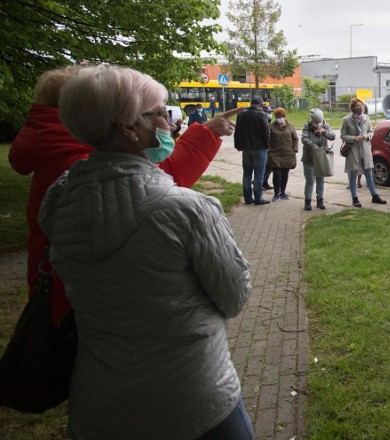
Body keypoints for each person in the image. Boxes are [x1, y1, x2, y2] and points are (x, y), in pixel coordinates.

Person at [38, 65, 253, 439]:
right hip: (194, 399)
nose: (170, 123)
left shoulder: (58, 201)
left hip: (98, 402)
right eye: (160, 113)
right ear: (127, 127)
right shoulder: (188, 210)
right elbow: (234, 298)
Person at [9, 65, 240, 325]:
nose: (166, 122)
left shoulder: (64, 159)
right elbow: (151, 188)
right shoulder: (79, 164)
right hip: (83, 321)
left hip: (74, 312)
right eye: (156, 113)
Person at [341, 97, 387, 207]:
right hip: (353, 149)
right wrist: (353, 138)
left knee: (369, 173)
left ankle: (375, 196)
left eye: (361, 105)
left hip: (365, 148)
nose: (360, 107)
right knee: (353, 174)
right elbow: (342, 135)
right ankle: (354, 198)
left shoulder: (366, 118)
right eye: (357, 106)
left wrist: (368, 136)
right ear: (352, 108)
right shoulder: (347, 119)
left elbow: (371, 131)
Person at [234, 96, 271, 205]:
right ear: (260, 105)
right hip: (260, 148)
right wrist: (268, 145)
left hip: (246, 148)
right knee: (259, 174)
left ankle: (248, 198)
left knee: (247, 173)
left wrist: (238, 145)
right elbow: (266, 132)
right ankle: (258, 198)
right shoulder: (262, 115)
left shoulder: (241, 115)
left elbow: (237, 132)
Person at [302, 108, 335, 211]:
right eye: (315, 122)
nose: (318, 123)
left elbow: (333, 136)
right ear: (312, 120)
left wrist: (324, 132)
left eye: (319, 121)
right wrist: (314, 146)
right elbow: (304, 139)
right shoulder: (307, 126)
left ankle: (320, 200)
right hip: (309, 158)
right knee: (310, 180)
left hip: (321, 158)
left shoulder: (325, 125)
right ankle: (307, 201)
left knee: (320, 180)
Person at [268, 107, 299, 202]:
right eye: (277, 116)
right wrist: (269, 150)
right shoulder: (271, 126)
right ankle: (276, 193)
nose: (279, 118)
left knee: (285, 174)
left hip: (288, 154)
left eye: (281, 116)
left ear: (284, 117)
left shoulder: (291, 126)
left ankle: (283, 192)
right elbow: (267, 140)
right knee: (276, 174)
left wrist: (295, 149)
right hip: (275, 155)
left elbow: (295, 139)